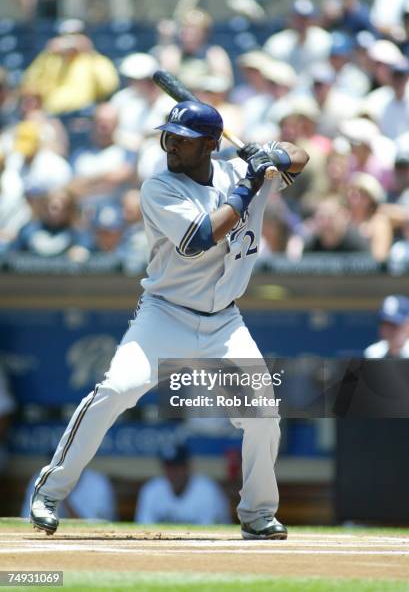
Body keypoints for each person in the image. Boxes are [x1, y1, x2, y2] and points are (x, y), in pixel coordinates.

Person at [29, 99, 309, 540]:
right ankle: (50, 490)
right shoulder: (159, 187)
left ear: (211, 146)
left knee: (263, 414)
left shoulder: (241, 170)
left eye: (184, 140)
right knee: (115, 391)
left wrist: (270, 154)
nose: (172, 146)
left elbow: (301, 156)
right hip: (164, 314)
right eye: (170, 137)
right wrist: (252, 180)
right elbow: (201, 236)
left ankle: (256, 514)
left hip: (225, 322)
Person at [135, 444, 230, 525]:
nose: (173, 473)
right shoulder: (151, 490)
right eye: (169, 467)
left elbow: (211, 538)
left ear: (187, 467)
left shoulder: (208, 492)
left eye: (177, 467)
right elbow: (144, 531)